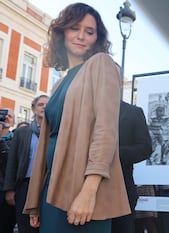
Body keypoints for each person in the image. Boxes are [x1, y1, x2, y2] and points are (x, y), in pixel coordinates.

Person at [23, 3, 130, 233]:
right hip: (52, 188)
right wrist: (36, 200)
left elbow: (105, 131)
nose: (81, 36)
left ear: (96, 38)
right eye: (74, 28)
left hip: (81, 189)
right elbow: (47, 142)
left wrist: (88, 191)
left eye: (89, 31)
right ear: (62, 32)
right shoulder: (60, 82)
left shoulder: (101, 64)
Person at [3, 95, 49, 233]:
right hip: (24, 187)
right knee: (25, 226)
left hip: (46, 187)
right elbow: (12, 162)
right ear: (34, 109)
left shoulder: (55, 132)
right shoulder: (22, 132)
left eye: (47, 104)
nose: (44, 107)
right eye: (41, 104)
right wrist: (10, 190)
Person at [111, 100, 153, 233]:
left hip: (121, 190)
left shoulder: (133, 112)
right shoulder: (88, 109)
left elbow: (145, 148)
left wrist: (113, 152)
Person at [0, 108, 16, 233]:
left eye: (10, 116)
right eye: (3, 116)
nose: (6, 118)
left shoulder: (16, 140)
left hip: (5, 194)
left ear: (13, 122)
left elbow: (11, 165)